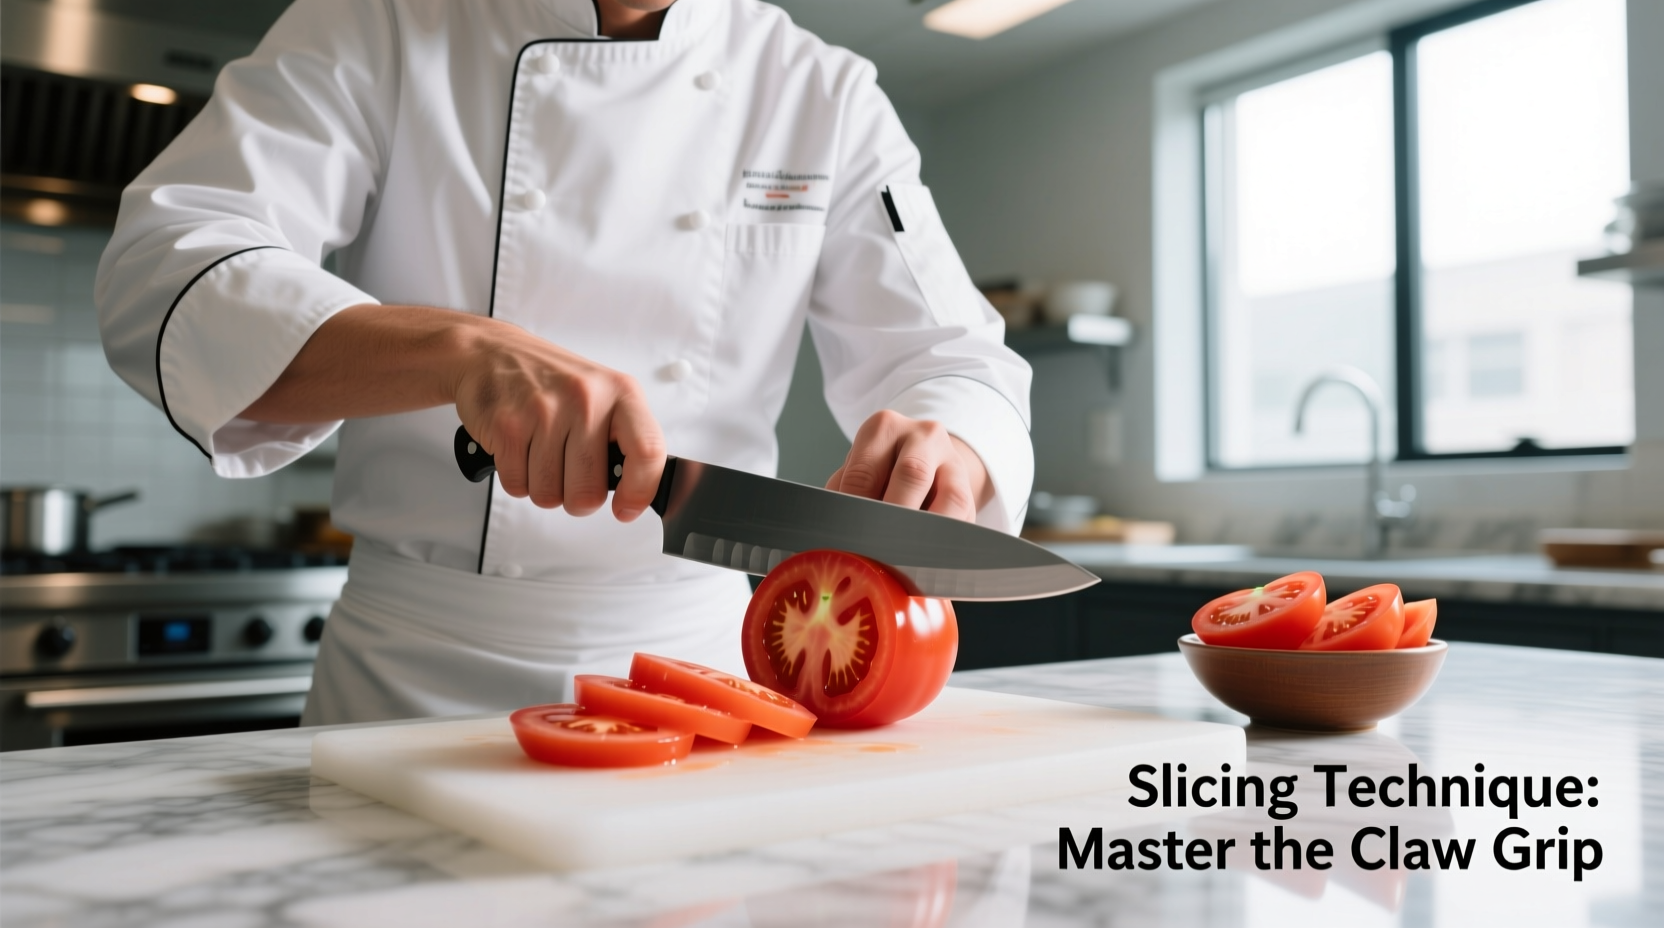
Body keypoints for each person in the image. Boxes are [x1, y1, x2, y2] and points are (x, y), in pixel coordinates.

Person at [96, 0, 1034, 725]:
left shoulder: (818, 90)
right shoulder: (379, 21)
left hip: (697, 679)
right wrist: (458, 350)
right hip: (409, 675)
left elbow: (952, 351)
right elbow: (166, 265)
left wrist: (948, 439)